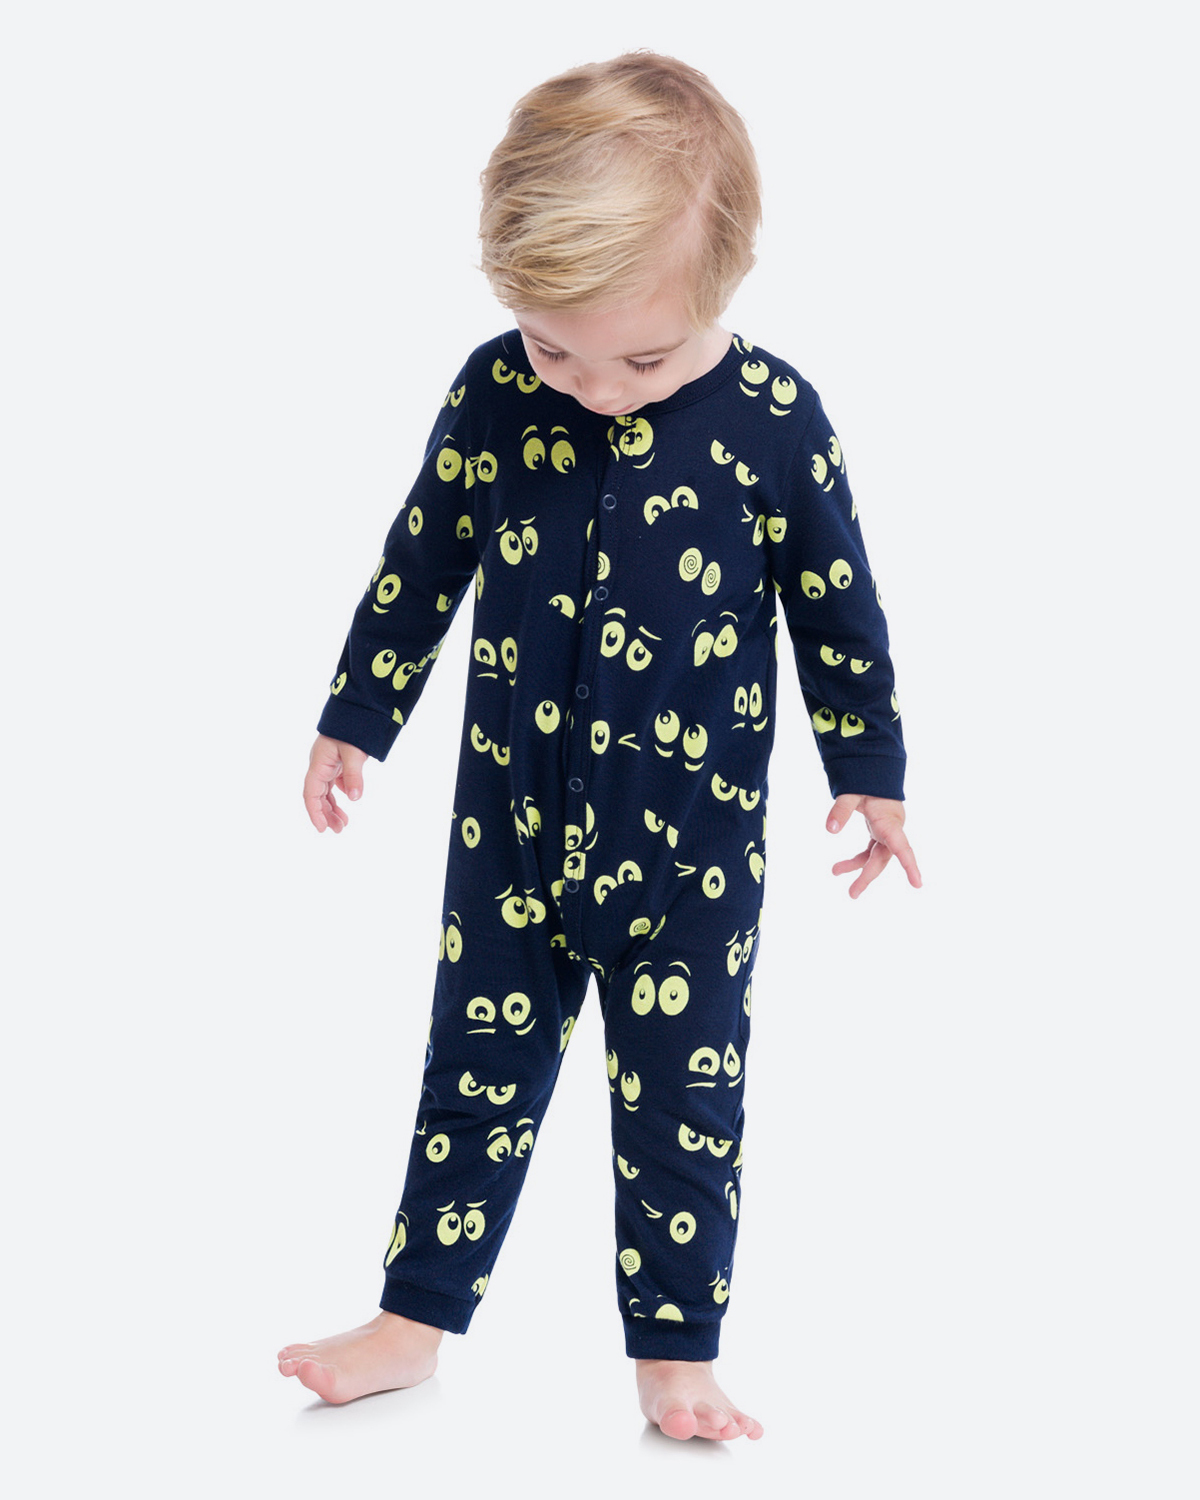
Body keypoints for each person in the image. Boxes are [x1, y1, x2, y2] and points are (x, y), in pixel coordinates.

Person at [277, 51, 921, 1442]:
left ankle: (676, 1358)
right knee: (471, 1075)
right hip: (507, 836)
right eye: (553, 349)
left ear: (723, 290)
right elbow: (423, 560)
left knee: (687, 1103)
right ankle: (411, 1323)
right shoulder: (493, 397)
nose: (593, 389)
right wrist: (356, 713)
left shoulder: (774, 422)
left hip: (692, 857)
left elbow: (839, 606)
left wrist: (871, 773)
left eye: (641, 360)